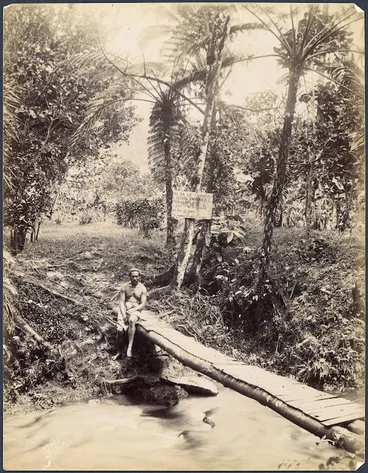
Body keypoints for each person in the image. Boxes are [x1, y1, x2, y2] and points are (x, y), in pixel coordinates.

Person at [113, 268, 147, 359]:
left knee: (132, 320)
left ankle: (129, 347)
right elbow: (121, 302)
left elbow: (143, 304)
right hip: (125, 308)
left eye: (136, 276)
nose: (135, 278)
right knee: (119, 330)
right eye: (133, 276)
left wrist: (133, 310)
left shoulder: (142, 288)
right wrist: (124, 315)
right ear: (129, 277)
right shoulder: (125, 287)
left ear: (139, 277)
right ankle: (119, 351)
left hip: (136, 309)